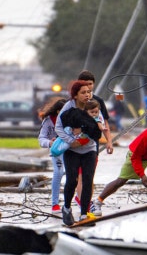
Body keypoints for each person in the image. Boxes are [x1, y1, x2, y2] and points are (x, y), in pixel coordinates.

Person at [56, 80, 102, 225]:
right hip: (72, 150)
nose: (87, 95)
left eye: (88, 92)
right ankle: (67, 208)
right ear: (75, 95)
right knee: (72, 180)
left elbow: (99, 121)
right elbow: (58, 128)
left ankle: (84, 214)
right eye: (83, 93)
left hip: (89, 149)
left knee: (88, 180)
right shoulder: (68, 108)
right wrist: (71, 140)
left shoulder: (92, 105)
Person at [74, 70, 114, 209]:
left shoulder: (98, 102)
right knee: (80, 177)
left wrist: (109, 141)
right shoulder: (74, 102)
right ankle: (83, 204)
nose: (88, 87)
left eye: (91, 84)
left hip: (93, 145)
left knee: (89, 176)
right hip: (76, 145)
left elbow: (105, 123)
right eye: (85, 84)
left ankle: (85, 202)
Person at [37, 97, 67, 214]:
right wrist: (50, 143)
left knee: (72, 175)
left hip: (71, 150)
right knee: (58, 172)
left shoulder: (71, 119)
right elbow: (41, 139)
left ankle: (70, 202)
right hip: (57, 151)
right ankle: (55, 204)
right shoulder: (48, 121)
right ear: (58, 111)